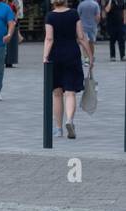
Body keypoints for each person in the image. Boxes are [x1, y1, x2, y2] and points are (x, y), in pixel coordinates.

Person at [46, 0, 91, 137]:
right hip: (72, 54)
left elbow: (49, 39)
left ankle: (58, 129)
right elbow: (81, 37)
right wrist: (89, 56)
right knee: (70, 92)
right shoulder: (73, 14)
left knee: (57, 93)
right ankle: (70, 120)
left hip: (55, 56)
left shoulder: (50, 16)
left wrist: (45, 56)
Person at [77, 0, 101, 66]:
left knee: (84, 43)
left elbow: (77, 16)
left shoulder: (81, 4)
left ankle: (86, 58)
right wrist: (96, 24)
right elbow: (98, 16)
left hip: (83, 26)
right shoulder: (95, 4)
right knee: (91, 42)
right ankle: (91, 57)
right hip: (93, 26)